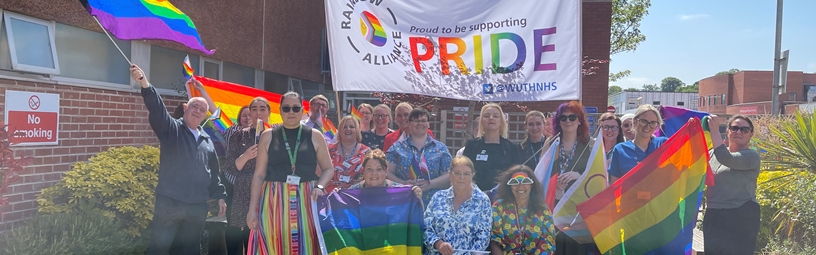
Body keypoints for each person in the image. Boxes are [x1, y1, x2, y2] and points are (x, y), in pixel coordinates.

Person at [130, 65, 226, 255]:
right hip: (170, 204)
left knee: (189, 250)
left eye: (202, 109)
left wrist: (220, 195)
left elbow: (213, 173)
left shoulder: (207, 141)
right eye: (194, 106)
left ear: (205, 115)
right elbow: (158, 111)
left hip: (197, 207)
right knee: (159, 249)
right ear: (185, 108)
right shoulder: (171, 129)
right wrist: (145, 84)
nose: (198, 111)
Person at [246, 91, 335, 255]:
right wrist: (252, 209)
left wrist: (320, 186)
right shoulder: (268, 136)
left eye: (295, 108)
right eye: (286, 108)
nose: (291, 112)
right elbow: (259, 175)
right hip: (273, 199)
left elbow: (328, 169)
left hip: (306, 199)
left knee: (306, 244)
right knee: (273, 243)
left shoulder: (315, 135)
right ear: (280, 110)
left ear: (302, 110)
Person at [703, 115, 761, 255]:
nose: (738, 132)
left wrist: (714, 131)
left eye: (744, 129)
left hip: (740, 215)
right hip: (714, 214)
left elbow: (726, 158)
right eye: (734, 128)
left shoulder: (751, 156)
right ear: (728, 131)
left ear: (751, 134)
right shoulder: (712, 154)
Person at [547, 101, 599, 255]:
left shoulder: (591, 144)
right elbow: (542, 174)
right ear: (558, 122)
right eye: (563, 118)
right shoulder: (551, 143)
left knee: (576, 249)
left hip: (579, 208)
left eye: (572, 117)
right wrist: (554, 184)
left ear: (580, 120)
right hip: (554, 204)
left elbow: (598, 178)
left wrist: (579, 176)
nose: (568, 121)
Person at [222, 97, 270, 255]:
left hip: (269, 192)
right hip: (243, 193)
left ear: (269, 112)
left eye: (262, 109)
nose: (258, 113)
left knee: (266, 237)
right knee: (240, 237)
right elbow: (230, 168)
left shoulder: (277, 136)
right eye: (254, 109)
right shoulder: (239, 135)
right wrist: (246, 156)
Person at [424, 156, 492, 255]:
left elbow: (484, 237)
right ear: (450, 174)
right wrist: (438, 244)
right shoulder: (438, 197)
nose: (462, 177)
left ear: (472, 175)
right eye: (457, 173)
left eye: (466, 174)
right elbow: (426, 227)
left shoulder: (482, 200)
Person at [386, 108, 451, 205]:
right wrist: (403, 184)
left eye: (423, 120)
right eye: (416, 120)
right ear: (409, 124)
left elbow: (449, 176)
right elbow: (387, 174)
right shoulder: (396, 148)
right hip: (403, 202)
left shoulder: (441, 149)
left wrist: (430, 184)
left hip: (433, 204)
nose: (420, 123)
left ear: (428, 124)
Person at [490, 165, 557, 255]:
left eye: (525, 181)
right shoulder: (499, 207)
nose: (520, 186)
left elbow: (548, 243)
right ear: (509, 185)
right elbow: (495, 239)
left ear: (532, 185)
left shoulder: (542, 209)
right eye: (515, 182)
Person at [462, 103, 522, 191]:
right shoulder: (472, 145)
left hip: (504, 197)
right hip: (476, 196)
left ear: (501, 121)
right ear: (481, 121)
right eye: (486, 116)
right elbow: (464, 171)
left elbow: (517, 175)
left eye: (495, 116)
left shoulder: (512, 147)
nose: (491, 118)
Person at [607, 105, 668, 183]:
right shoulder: (620, 150)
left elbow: (685, 152)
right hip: (628, 195)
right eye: (643, 121)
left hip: (659, 195)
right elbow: (614, 186)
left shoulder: (663, 144)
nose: (647, 126)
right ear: (635, 122)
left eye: (653, 123)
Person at [347, 149, 422, 201]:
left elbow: (417, 216)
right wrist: (337, 196)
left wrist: (416, 195)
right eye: (369, 169)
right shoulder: (351, 193)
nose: (374, 173)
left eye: (379, 169)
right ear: (363, 171)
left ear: (386, 171)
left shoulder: (399, 191)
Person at [325, 116, 371, 191]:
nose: (348, 129)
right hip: (330, 196)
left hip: (356, 196)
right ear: (339, 130)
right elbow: (320, 173)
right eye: (344, 127)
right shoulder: (329, 149)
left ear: (357, 130)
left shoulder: (367, 152)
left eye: (352, 127)